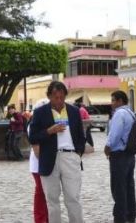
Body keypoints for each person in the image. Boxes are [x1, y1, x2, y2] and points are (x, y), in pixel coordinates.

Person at [29, 81, 87, 223]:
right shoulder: (40, 113)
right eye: (56, 97)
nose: (59, 101)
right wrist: (49, 131)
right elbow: (32, 137)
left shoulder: (73, 111)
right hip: (49, 159)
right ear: (49, 96)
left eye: (62, 97)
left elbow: (81, 135)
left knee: (73, 198)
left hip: (70, 157)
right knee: (52, 201)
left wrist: (77, 154)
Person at [105, 90, 136, 223]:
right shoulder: (131, 113)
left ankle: (120, 217)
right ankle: (131, 214)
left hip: (119, 155)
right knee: (129, 186)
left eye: (113, 100)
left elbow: (115, 134)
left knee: (118, 188)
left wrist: (108, 146)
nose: (111, 103)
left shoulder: (119, 113)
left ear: (120, 101)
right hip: (130, 154)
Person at [28, 98, 50, 223]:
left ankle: (46, 218)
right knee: (41, 193)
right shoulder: (34, 125)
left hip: (45, 163)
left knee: (46, 194)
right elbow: (37, 149)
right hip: (39, 164)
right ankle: (41, 219)